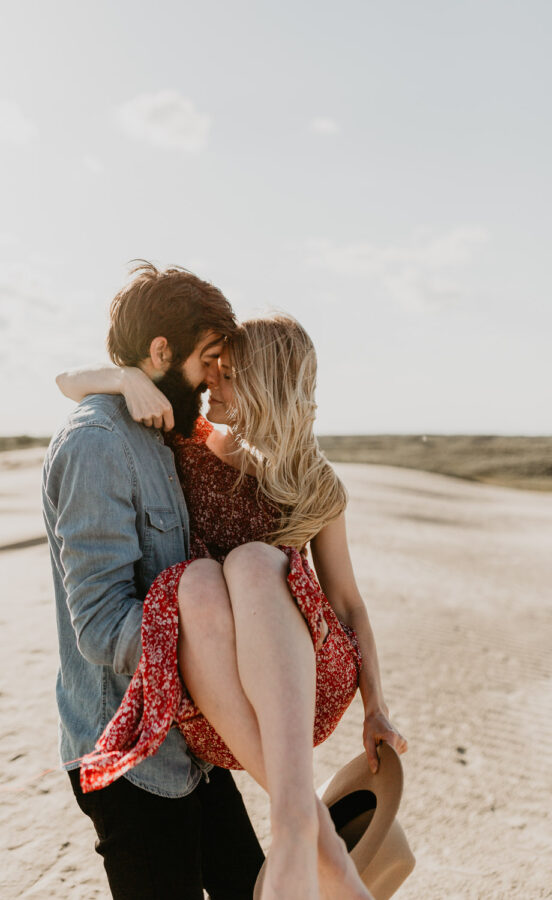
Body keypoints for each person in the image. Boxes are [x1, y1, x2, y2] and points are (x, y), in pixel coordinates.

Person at [57, 311, 408, 900]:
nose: (210, 381)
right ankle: (314, 840)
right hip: (215, 682)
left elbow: (348, 604)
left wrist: (377, 708)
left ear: (265, 386)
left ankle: (297, 827)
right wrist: (122, 378)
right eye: (213, 367)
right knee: (196, 580)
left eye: (228, 372)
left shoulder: (314, 482)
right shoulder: (186, 443)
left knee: (250, 563)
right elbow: (67, 383)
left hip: (303, 678)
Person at [42, 262, 265, 900]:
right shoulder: (97, 446)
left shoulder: (162, 426)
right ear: (160, 351)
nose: (215, 376)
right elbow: (103, 627)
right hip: (127, 754)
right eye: (209, 358)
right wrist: (229, 643)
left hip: (189, 741)